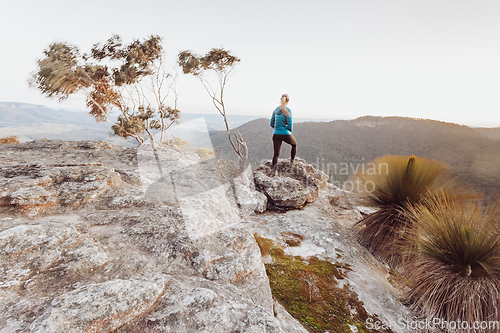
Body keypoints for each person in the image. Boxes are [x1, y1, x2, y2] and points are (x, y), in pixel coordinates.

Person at [270, 93, 297, 176]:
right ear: (288, 100)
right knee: (294, 144)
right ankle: (292, 161)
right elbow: (290, 126)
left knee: (276, 154)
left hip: (276, 134)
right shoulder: (288, 111)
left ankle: (275, 171)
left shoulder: (275, 110)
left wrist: (277, 128)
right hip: (285, 133)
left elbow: (271, 123)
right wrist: (286, 130)